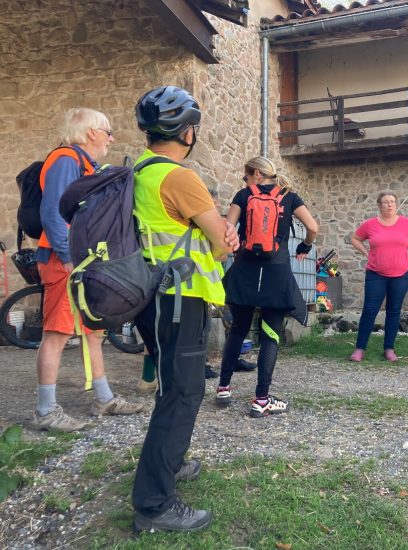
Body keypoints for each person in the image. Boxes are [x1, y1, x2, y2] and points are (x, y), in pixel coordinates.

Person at [131, 86, 239, 533]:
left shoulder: (138, 170)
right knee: (183, 392)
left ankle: (168, 464)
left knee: (171, 387)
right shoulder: (180, 177)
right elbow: (219, 241)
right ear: (187, 131)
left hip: (150, 294)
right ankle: (154, 505)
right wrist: (224, 236)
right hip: (181, 297)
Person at [31, 108, 143, 433]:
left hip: (81, 259)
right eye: (108, 131)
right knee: (57, 333)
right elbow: (53, 212)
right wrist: (67, 256)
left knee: (93, 331)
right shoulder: (67, 159)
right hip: (62, 258)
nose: (112, 137)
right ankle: (45, 410)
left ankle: (104, 398)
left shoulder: (85, 164)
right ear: (91, 132)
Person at [215, 156, 318, 417]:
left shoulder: (242, 195)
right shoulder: (290, 197)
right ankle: (261, 399)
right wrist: (305, 245)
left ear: (257, 174)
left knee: (238, 329)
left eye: (246, 176)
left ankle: (224, 387)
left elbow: (228, 229)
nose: (245, 180)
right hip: (276, 272)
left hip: (245, 270)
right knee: (271, 334)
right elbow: (313, 227)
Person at [349, 190, 408, 362]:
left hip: (401, 274)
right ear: (379, 205)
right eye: (386, 202)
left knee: (393, 311)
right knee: (370, 310)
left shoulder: (406, 223)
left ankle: (389, 349)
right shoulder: (370, 224)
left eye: (392, 201)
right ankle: (359, 349)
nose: (390, 204)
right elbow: (355, 238)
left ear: (396, 204)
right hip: (375, 273)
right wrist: (366, 252)